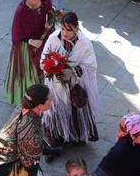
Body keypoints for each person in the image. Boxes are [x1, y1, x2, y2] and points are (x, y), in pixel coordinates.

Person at [40, 11, 99, 146]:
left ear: (76, 28)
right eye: (63, 28)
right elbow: (44, 59)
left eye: (69, 30)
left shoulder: (85, 43)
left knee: (76, 111)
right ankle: (57, 137)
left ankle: (77, 135)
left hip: (75, 85)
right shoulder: (53, 39)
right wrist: (52, 68)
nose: (65, 33)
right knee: (56, 110)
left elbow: (91, 67)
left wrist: (72, 72)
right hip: (56, 85)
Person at [6, 0, 55, 105]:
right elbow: (16, 33)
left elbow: (51, 18)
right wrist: (31, 41)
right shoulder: (21, 10)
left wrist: (49, 25)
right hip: (27, 45)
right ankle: (32, 98)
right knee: (31, 71)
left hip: (44, 40)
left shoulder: (46, 2)